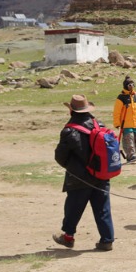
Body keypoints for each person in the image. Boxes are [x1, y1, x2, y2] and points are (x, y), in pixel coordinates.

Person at [53, 95, 114, 251]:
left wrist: (72, 167)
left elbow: (60, 156)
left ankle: (68, 238)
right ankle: (107, 240)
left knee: (73, 208)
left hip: (79, 178)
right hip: (101, 174)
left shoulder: (69, 131)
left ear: (71, 111)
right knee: (103, 209)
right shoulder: (99, 125)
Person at [113, 75, 136, 163]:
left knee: (135, 140)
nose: (131, 87)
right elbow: (117, 112)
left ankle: (132, 155)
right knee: (129, 140)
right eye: (129, 85)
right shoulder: (121, 98)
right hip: (126, 124)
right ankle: (131, 156)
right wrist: (117, 123)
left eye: (132, 85)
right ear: (126, 86)